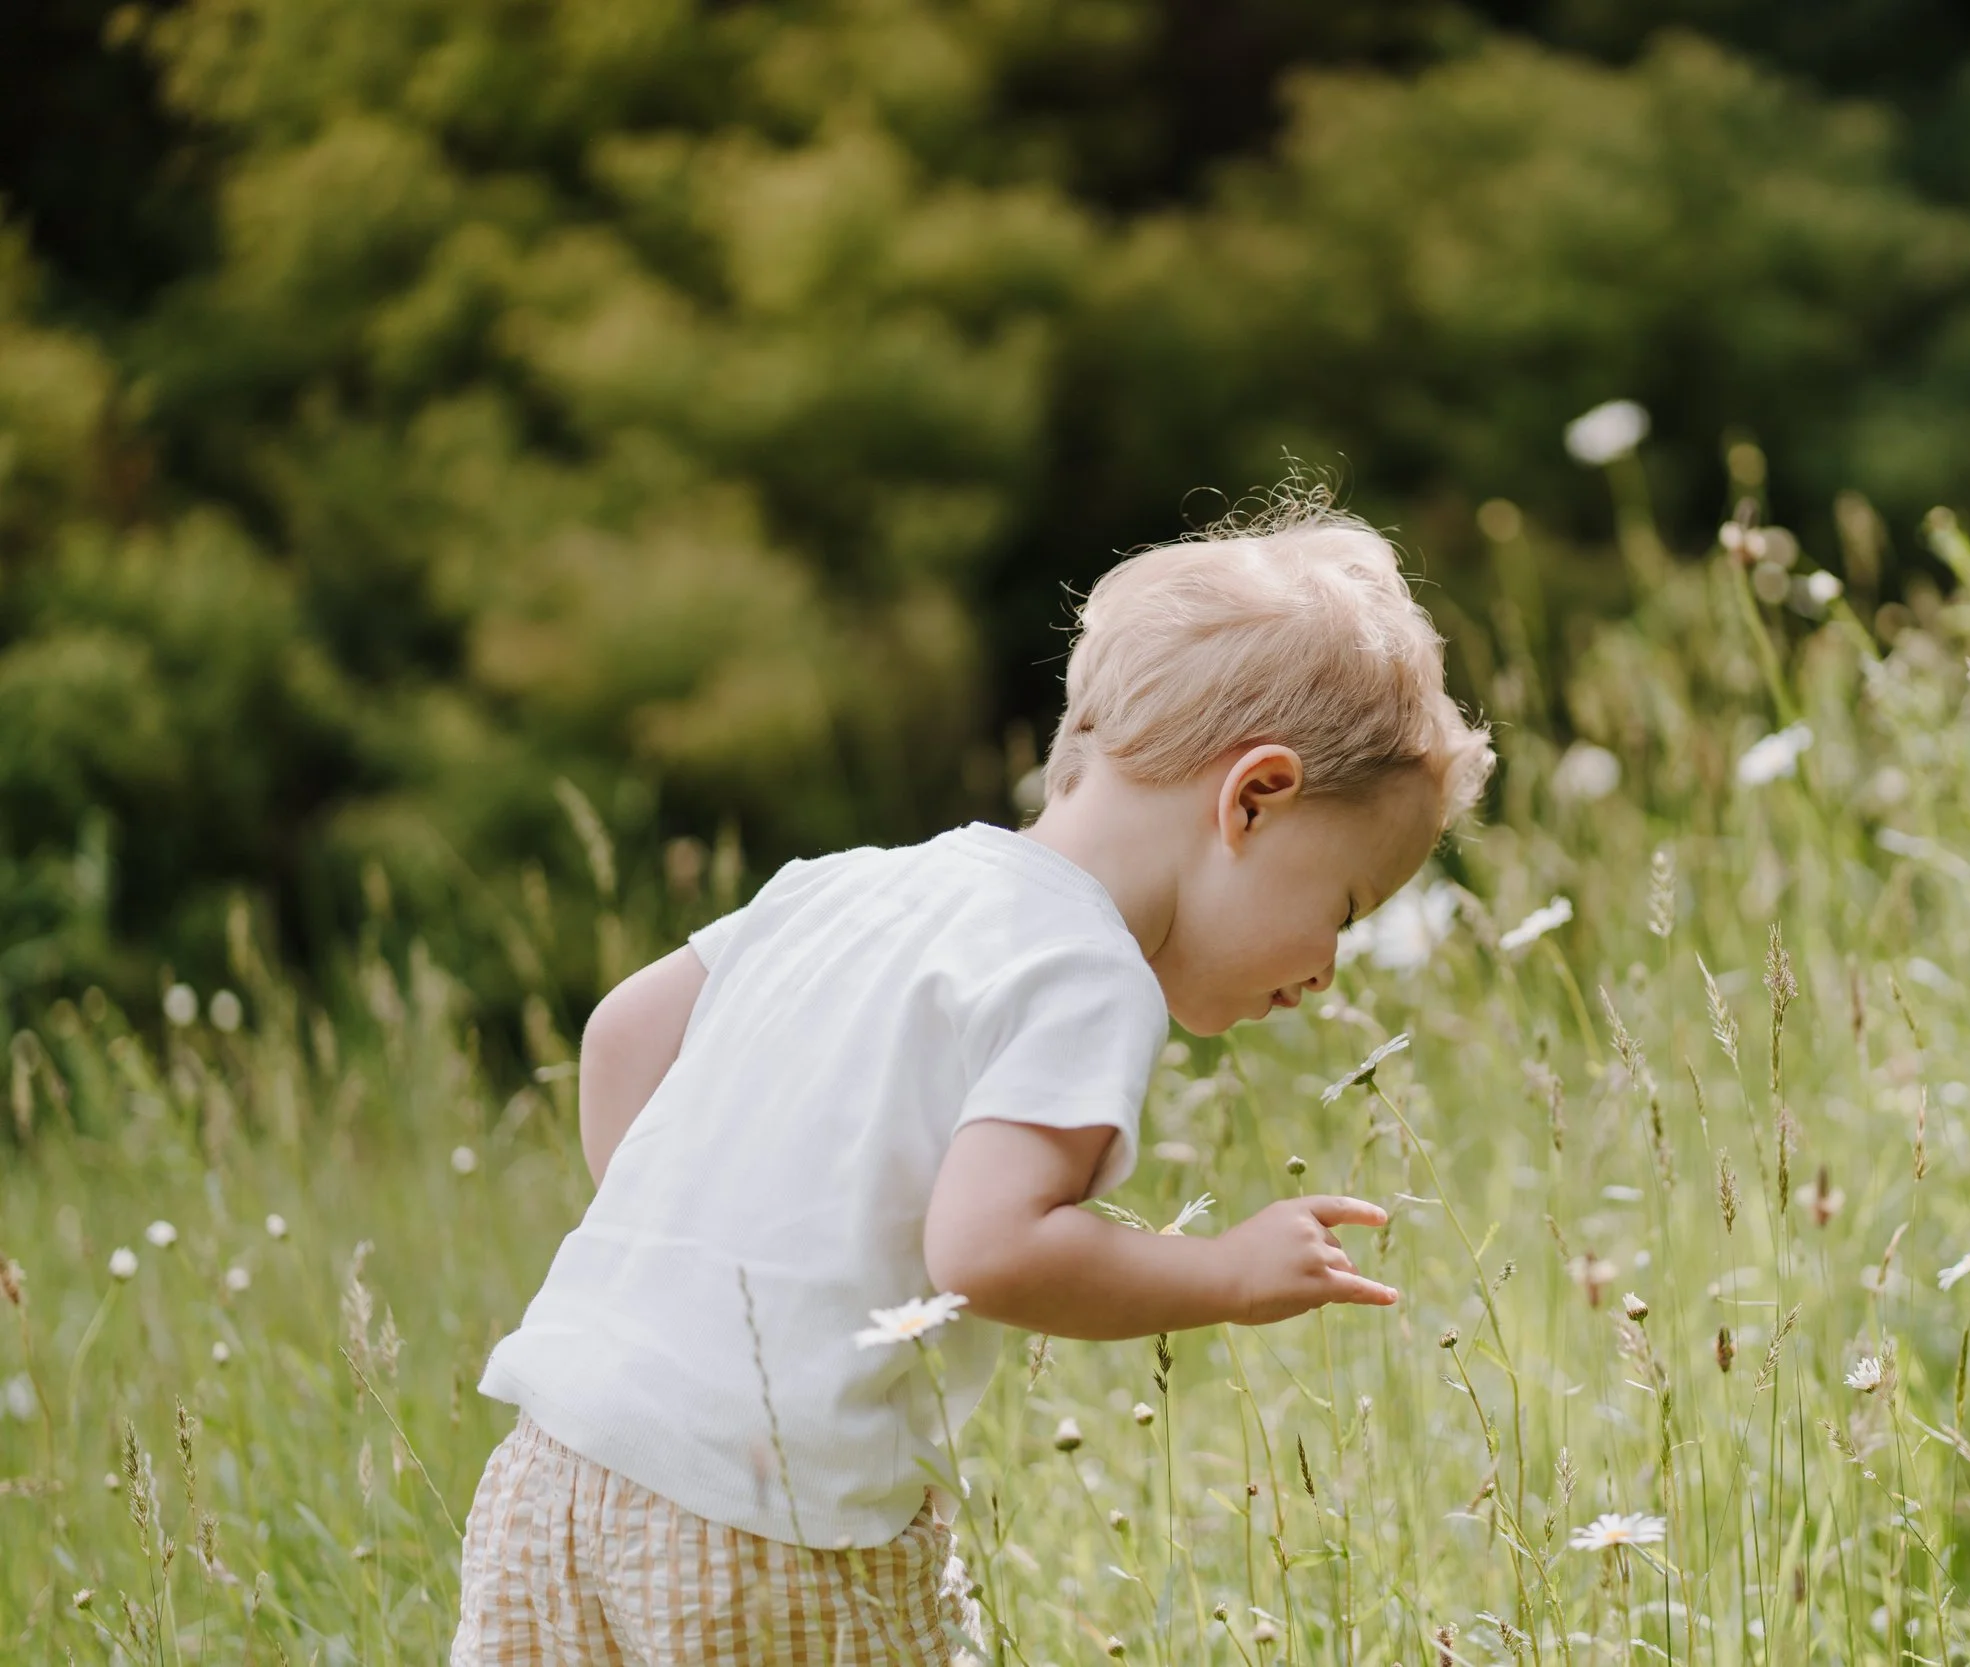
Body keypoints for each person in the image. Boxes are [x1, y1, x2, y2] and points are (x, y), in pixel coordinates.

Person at [450, 496, 1494, 1666]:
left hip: (555, 1468)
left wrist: (703, 1261)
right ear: (1252, 797)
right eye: (1343, 906)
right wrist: (1224, 1272)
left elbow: (621, 1035)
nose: (1327, 968)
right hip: (776, 1520)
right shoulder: (1083, 968)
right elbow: (989, 1247)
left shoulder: (854, 882)